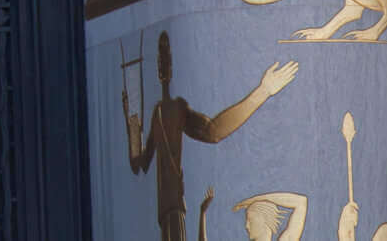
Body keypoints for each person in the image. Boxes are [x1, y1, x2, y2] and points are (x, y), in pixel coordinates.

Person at [126, 32, 299, 241]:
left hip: (172, 207)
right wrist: (132, 130)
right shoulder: (161, 112)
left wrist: (262, 92)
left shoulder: (172, 109)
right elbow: (141, 163)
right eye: (162, 62)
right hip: (167, 208)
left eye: (165, 62)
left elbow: (213, 132)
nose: (163, 68)